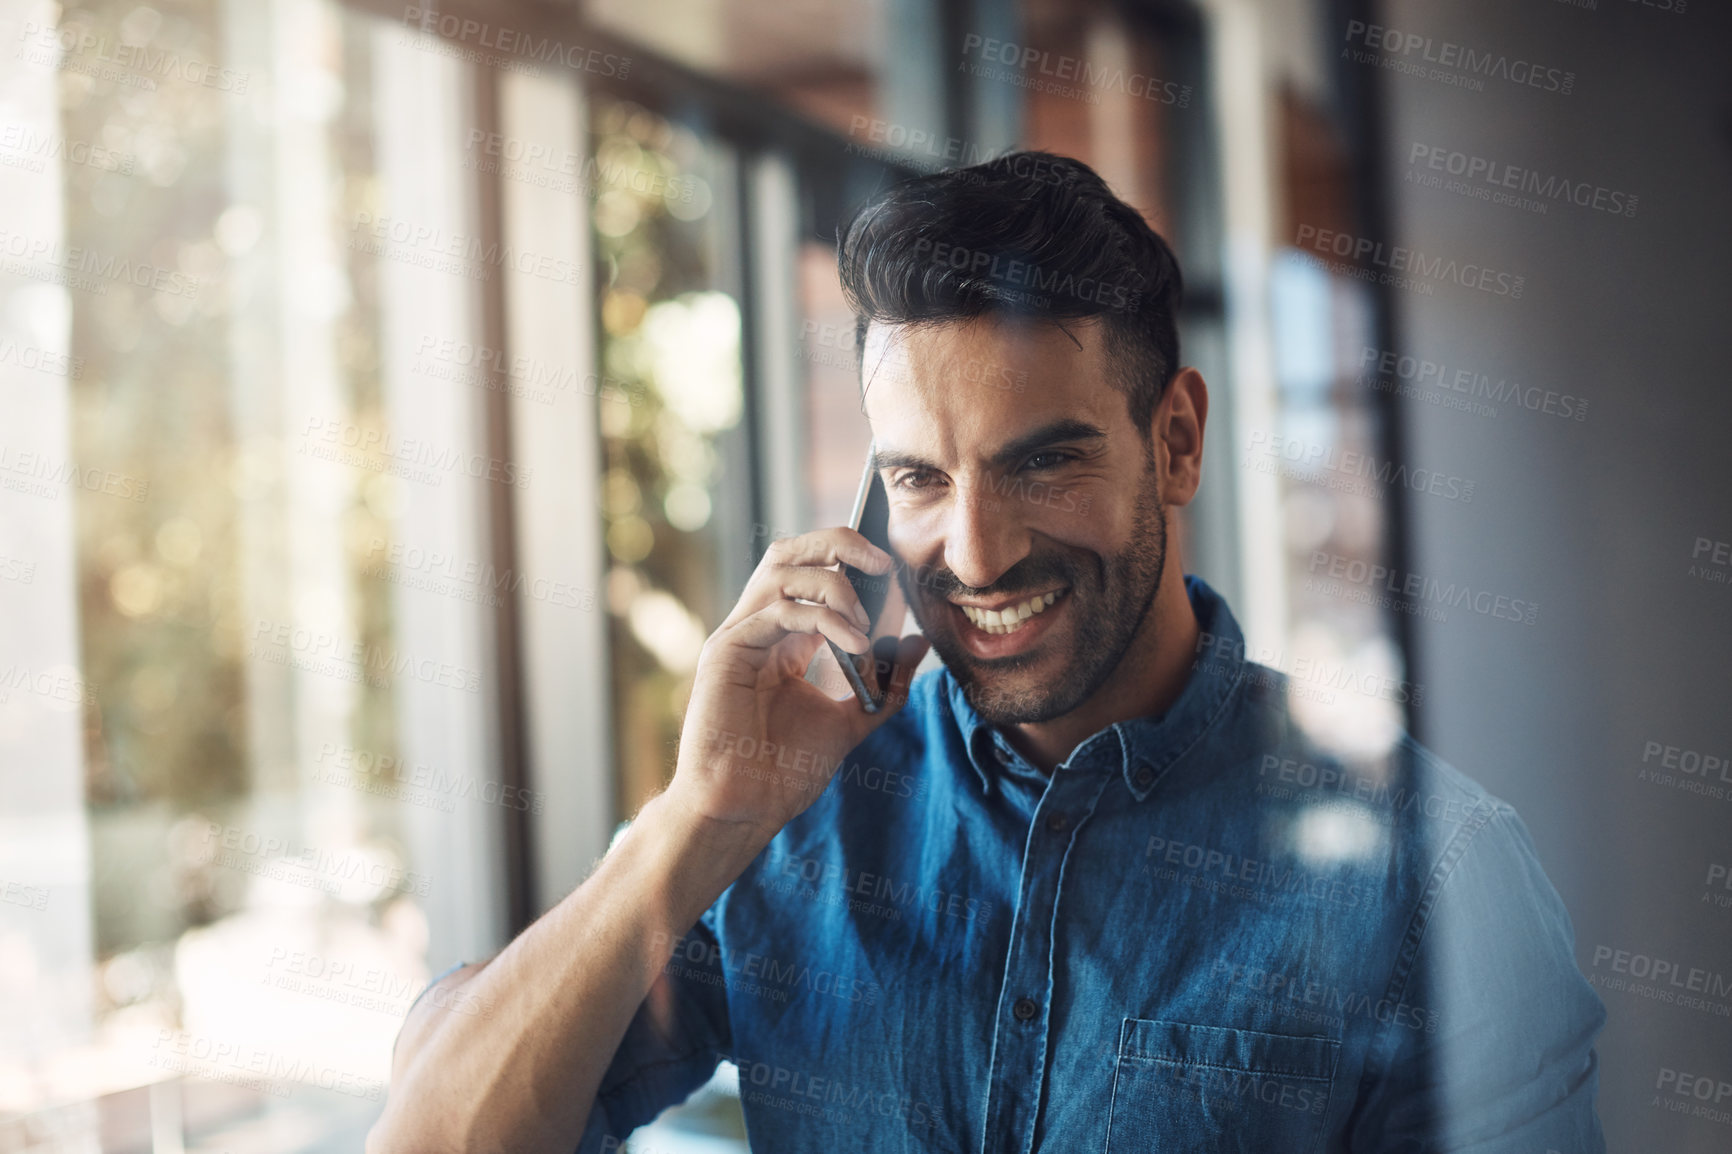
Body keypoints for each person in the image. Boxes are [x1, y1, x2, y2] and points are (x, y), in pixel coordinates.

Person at [366, 151, 1606, 1153]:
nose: (974, 550)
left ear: (1175, 441)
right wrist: (698, 819)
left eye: (1042, 460)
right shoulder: (788, 820)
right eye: (918, 476)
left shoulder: (1436, 874)